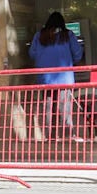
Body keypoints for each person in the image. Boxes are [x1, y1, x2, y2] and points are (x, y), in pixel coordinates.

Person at [29, 11, 85, 141]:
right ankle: (68, 135)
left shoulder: (39, 36)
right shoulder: (67, 35)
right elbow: (78, 54)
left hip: (45, 79)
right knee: (64, 107)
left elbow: (32, 53)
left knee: (49, 107)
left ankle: (50, 136)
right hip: (64, 78)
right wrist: (71, 60)